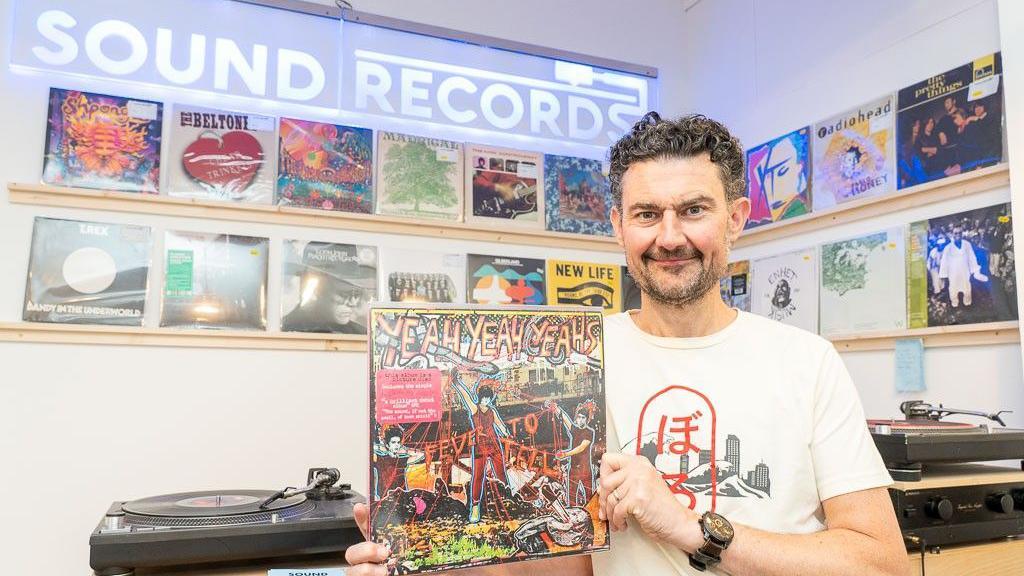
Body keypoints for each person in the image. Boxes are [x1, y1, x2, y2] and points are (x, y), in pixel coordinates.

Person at [346, 113, 906, 576]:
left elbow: (883, 565)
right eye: (646, 214)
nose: (668, 236)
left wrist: (695, 530)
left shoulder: (806, 361)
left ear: (735, 219)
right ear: (618, 226)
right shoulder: (573, 359)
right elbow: (562, 568)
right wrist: (420, 556)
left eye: (693, 209)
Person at [451, 372, 511, 523]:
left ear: (490, 398)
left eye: (488, 398)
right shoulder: (474, 409)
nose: (486, 400)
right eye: (484, 398)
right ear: (480, 398)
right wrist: (457, 384)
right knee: (478, 476)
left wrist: (507, 433)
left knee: (501, 474)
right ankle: (475, 507)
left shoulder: (492, 411)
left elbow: (499, 425)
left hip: (494, 445)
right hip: (479, 447)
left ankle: (508, 500)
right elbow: (465, 397)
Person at [939, 226, 988, 307]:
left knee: (967, 289)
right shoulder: (948, 248)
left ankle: (967, 303)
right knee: (953, 290)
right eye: (955, 233)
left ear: (962, 234)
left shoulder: (967, 244)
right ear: (952, 235)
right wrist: (943, 277)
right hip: (953, 275)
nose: (958, 235)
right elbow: (944, 263)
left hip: (965, 273)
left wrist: (975, 271)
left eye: (959, 233)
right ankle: (955, 304)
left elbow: (972, 258)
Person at [372, 426, 425, 498]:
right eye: (393, 442)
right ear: (387, 444)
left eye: (398, 442)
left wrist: (404, 450)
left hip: (401, 496)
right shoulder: (380, 458)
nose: (397, 445)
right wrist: (383, 448)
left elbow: (421, 454)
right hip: (385, 497)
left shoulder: (402, 460)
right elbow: (370, 449)